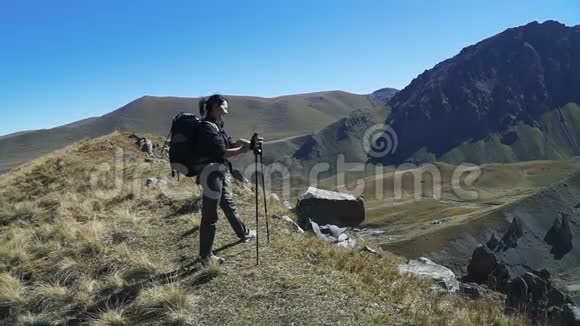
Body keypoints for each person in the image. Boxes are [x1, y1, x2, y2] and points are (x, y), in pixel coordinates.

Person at [196, 94, 261, 265]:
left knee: (228, 204)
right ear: (216, 107)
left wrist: (244, 144)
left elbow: (227, 144)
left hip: (217, 172)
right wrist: (242, 150)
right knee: (210, 216)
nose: (226, 111)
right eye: (224, 107)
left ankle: (244, 233)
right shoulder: (207, 128)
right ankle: (206, 257)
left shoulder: (215, 125)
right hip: (211, 174)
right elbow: (223, 153)